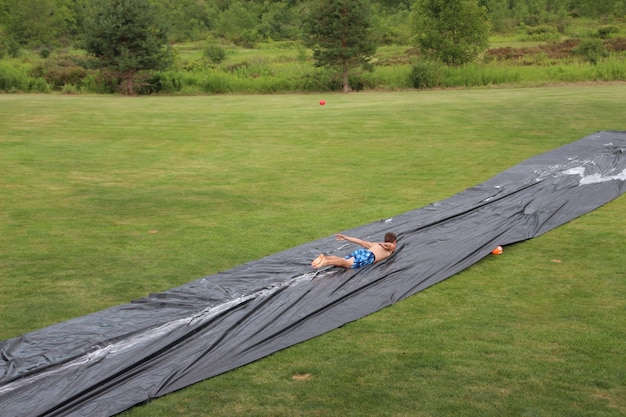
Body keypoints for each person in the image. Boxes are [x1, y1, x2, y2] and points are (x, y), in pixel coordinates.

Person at [311, 232, 397, 269]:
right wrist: (385, 245)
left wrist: (345, 237)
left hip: (362, 252)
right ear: (394, 241)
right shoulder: (390, 248)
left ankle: (326, 258)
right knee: (347, 264)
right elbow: (391, 245)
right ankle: (324, 262)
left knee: (343, 260)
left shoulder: (375, 244)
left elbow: (360, 241)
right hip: (368, 256)